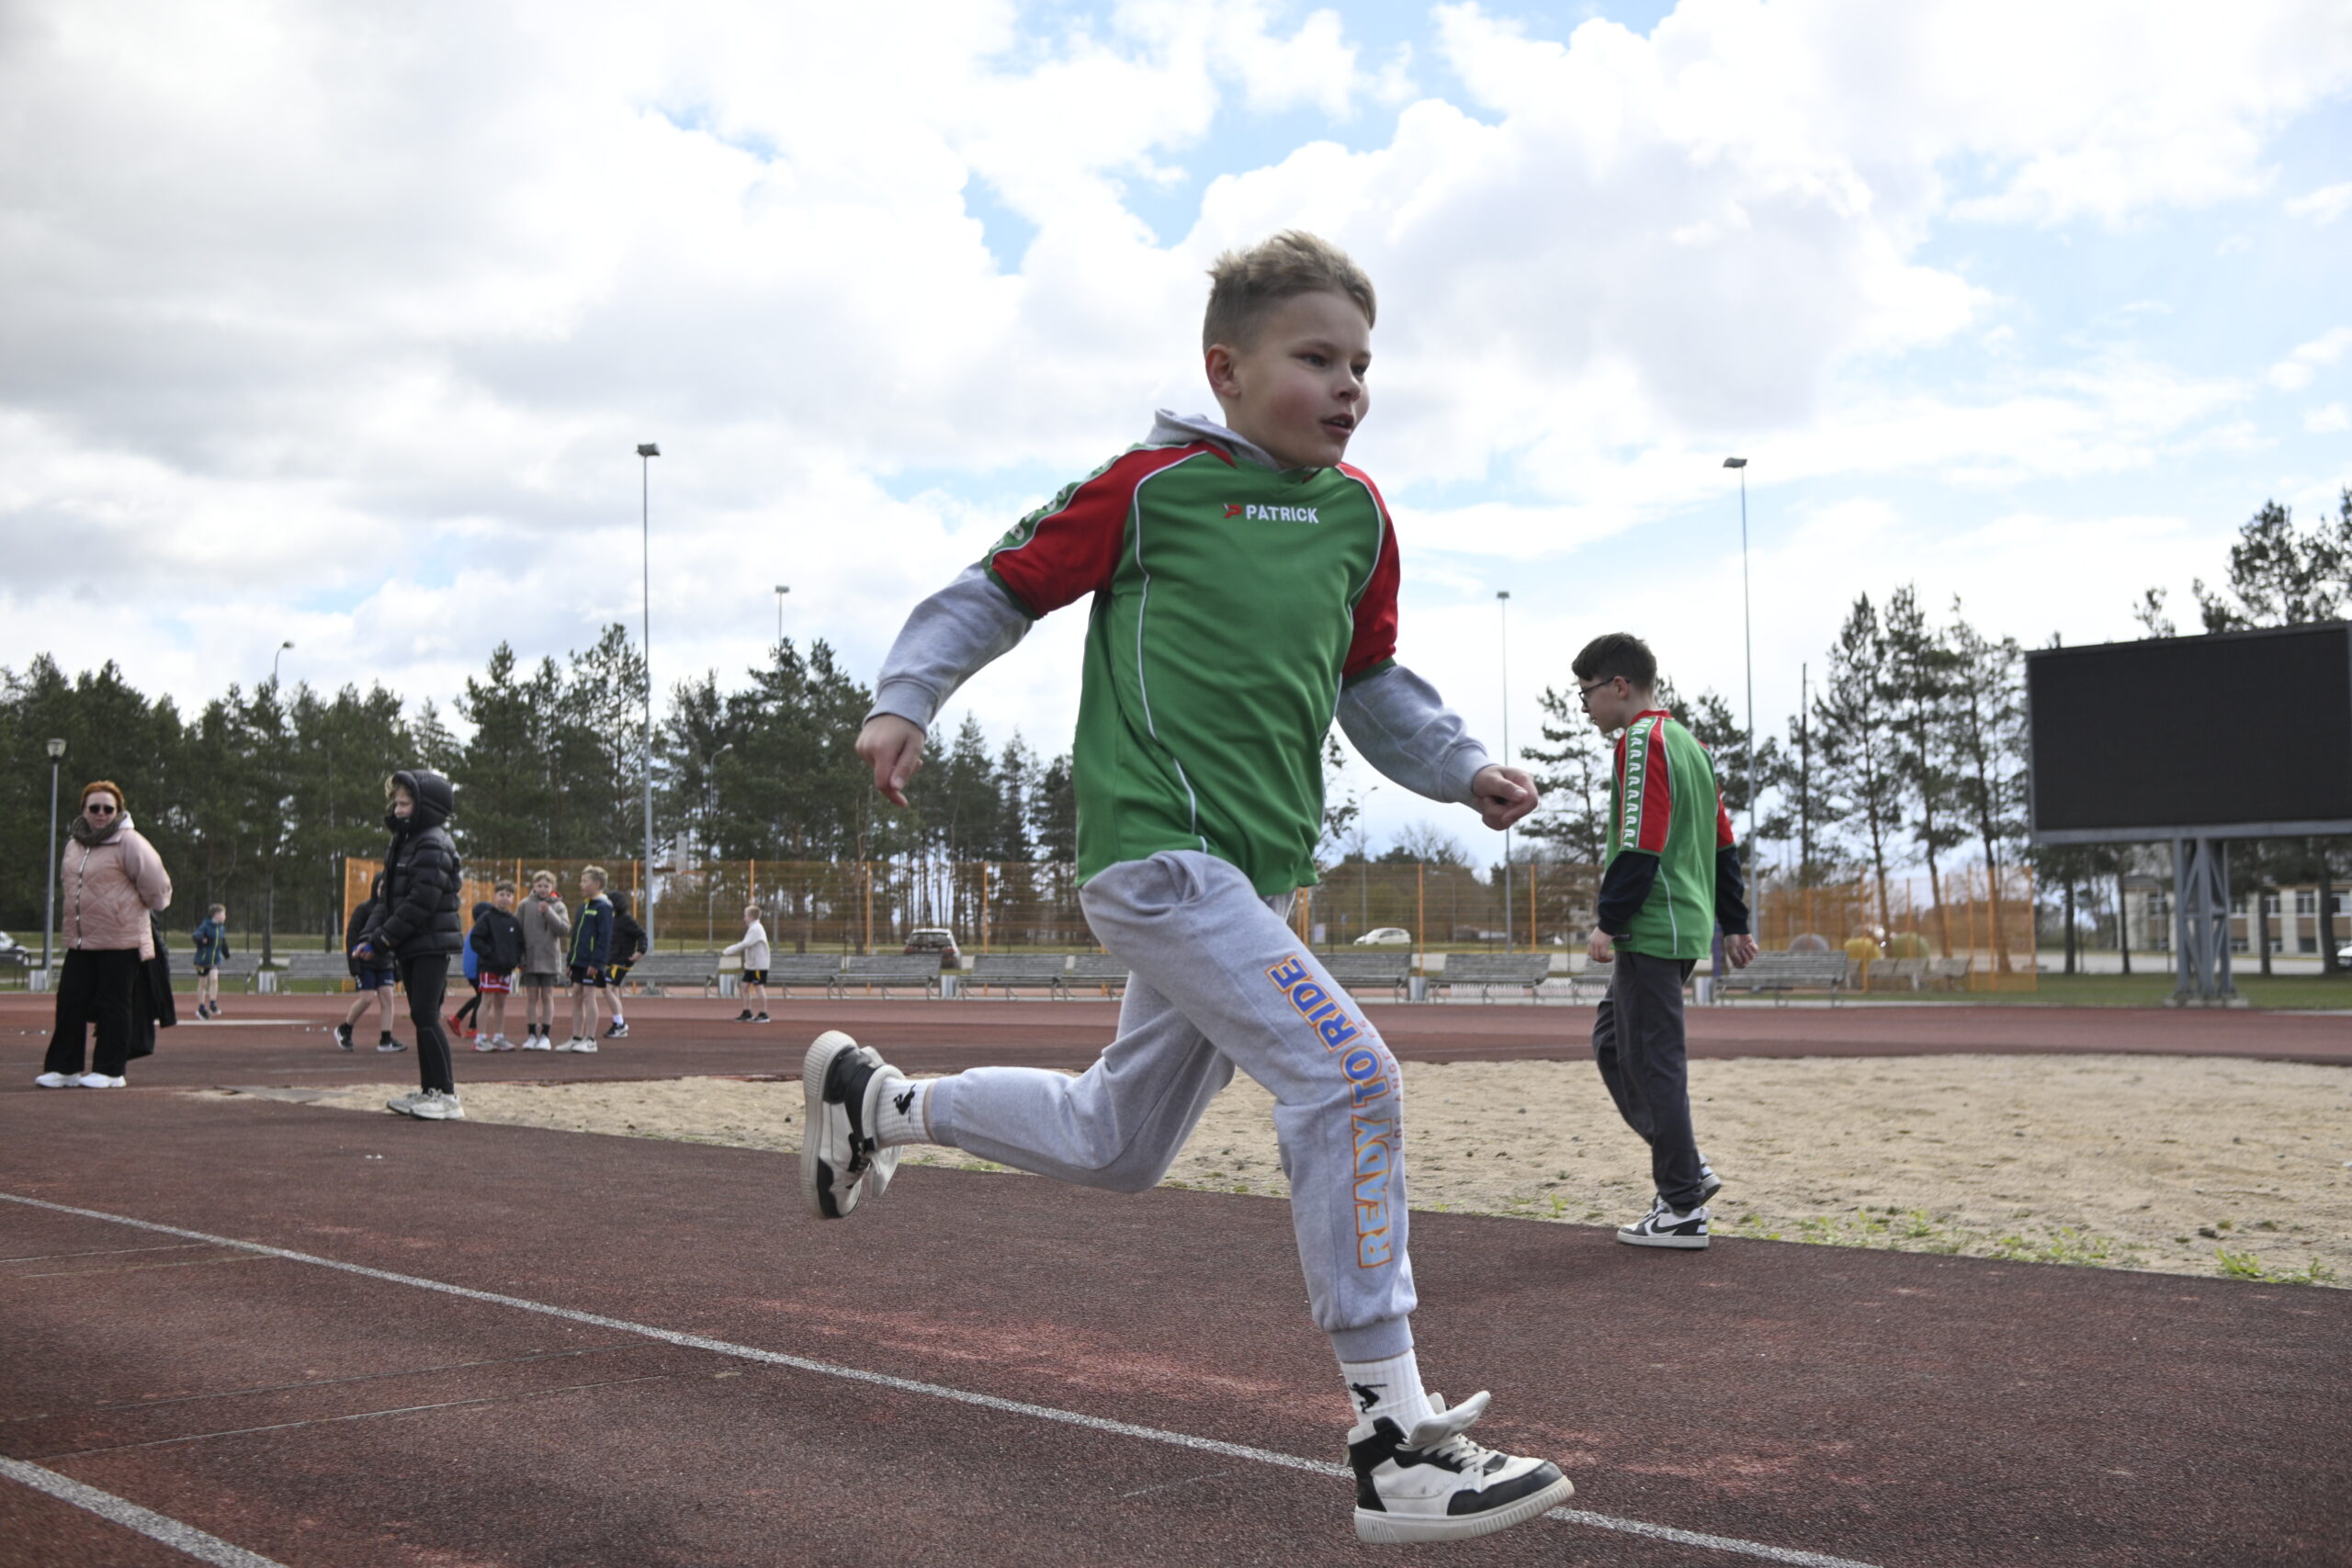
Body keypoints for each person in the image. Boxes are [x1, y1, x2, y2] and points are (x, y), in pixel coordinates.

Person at [811, 232, 1568, 1543]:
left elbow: (1368, 680)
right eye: (1316, 358)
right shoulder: (1150, 488)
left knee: (1117, 1139)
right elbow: (997, 590)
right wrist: (906, 697)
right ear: (1226, 370)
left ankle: (879, 1103)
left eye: (1362, 363)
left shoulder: (1357, 516)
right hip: (1159, 861)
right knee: (1350, 1078)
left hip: (1254, 890)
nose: (1349, 386)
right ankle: (1395, 1443)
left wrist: (1460, 768)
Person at [1574, 632, 1755, 1250]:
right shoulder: (1692, 746)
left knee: (1654, 1063)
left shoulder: (1642, 741)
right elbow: (1724, 844)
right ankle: (1685, 1164)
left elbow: (1640, 840)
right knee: (1611, 1042)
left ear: (1619, 686)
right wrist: (1735, 922)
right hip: (1682, 924)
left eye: (1587, 694)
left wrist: (1609, 919)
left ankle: (1681, 1205)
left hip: (1654, 925)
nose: (1585, 707)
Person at [39, 781, 173, 1089]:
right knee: (69, 1001)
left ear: (118, 811)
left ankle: (110, 1071)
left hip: (120, 939)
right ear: (84, 810)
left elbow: (158, 886)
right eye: (94, 808)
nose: (101, 813)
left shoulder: (130, 842)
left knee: (115, 1004)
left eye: (108, 809)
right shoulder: (75, 845)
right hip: (81, 940)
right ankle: (64, 1068)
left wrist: (133, 910)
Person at [351, 770, 465, 1120]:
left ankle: (447, 1096)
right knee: (421, 1015)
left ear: (425, 807)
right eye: (396, 803)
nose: (398, 810)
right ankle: (431, 1090)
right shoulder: (404, 842)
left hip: (431, 942)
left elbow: (421, 902)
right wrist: (369, 937)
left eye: (405, 804)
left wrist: (383, 939)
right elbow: (387, 900)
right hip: (413, 942)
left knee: (426, 1014)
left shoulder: (433, 842)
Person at [334, 875, 403, 1053]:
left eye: (386, 887)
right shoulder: (364, 910)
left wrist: (397, 966)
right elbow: (352, 937)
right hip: (365, 962)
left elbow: (396, 939)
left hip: (385, 962)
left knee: (388, 998)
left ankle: (386, 1039)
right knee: (367, 998)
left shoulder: (394, 911)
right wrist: (354, 964)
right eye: (380, 887)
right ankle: (345, 1028)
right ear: (374, 888)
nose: (383, 890)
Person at [560, 866, 614, 1053]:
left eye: (585, 881)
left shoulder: (604, 907)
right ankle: (576, 1037)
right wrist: (570, 960)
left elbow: (605, 938)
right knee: (576, 995)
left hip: (592, 962)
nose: (581, 884)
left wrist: (597, 963)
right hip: (578, 960)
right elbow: (576, 935)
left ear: (597, 884)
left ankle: (590, 1039)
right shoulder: (584, 906)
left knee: (589, 997)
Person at [515, 869, 570, 1050]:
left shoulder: (559, 906)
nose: (543, 889)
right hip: (529, 959)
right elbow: (517, 932)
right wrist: (520, 957)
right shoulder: (524, 905)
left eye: (546, 886)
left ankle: (545, 1035)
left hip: (549, 959)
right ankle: (531, 1034)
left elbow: (563, 930)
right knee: (531, 998)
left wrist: (549, 912)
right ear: (534, 886)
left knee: (547, 996)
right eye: (539, 885)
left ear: (552, 887)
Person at [468, 880, 524, 1051]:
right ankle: (480, 1038)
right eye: (501, 894)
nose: (505, 898)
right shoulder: (486, 918)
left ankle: (499, 1037)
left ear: (512, 898)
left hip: (506, 969)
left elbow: (519, 944)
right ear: (494, 896)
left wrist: (515, 960)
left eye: (508, 895)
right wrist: (489, 954)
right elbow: (476, 939)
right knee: (486, 1001)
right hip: (489, 967)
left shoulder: (514, 921)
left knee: (501, 1003)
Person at [603, 886, 649, 1039]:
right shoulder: (613, 920)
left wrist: (640, 951)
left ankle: (620, 1023)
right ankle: (618, 1022)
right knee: (613, 990)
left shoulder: (626, 919)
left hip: (621, 961)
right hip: (613, 961)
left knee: (606, 989)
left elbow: (641, 934)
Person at [722, 904, 770, 1023]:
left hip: (758, 965)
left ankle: (764, 1014)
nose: (744, 919)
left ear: (751, 917)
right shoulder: (753, 928)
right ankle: (747, 1012)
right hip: (752, 965)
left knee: (758, 986)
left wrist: (729, 950)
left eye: (746, 916)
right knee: (744, 986)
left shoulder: (756, 928)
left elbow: (746, 944)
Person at [190, 903, 230, 1020]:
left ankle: (213, 1004)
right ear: (216, 915)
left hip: (214, 960)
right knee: (203, 983)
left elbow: (222, 941)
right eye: (223, 914)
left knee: (214, 980)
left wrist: (226, 953)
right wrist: (201, 939)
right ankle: (201, 1008)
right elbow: (195, 935)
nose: (225, 917)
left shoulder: (221, 928)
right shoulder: (205, 926)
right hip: (202, 960)